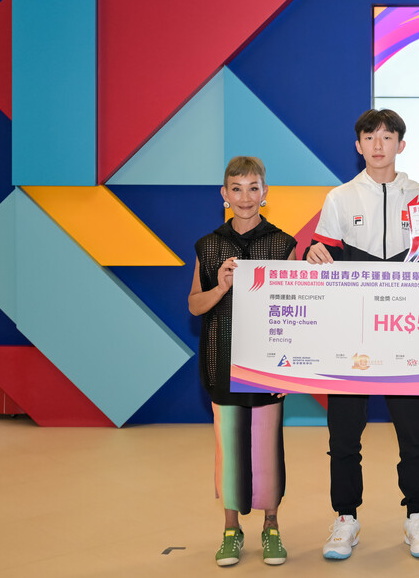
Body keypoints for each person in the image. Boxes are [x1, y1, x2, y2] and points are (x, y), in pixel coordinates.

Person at [306, 109, 419, 560]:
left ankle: (417, 517)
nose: (378, 144)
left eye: (388, 137)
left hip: (404, 335)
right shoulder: (340, 198)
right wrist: (314, 253)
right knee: (344, 433)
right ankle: (346, 519)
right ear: (358, 145)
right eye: (370, 136)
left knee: (413, 432)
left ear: (401, 145)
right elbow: (322, 251)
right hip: (351, 335)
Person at [188, 156, 297, 567]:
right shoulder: (208, 245)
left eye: (254, 187)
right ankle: (231, 530)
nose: (246, 196)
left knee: (267, 450)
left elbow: (294, 308)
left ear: (265, 193)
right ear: (224, 194)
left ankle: (271, 527)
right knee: (228, 451)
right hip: (221, 362)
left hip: (267, 366)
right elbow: (195, 305)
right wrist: (221, 287)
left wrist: (288, 367)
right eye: (237, 188)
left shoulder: (284, 245)